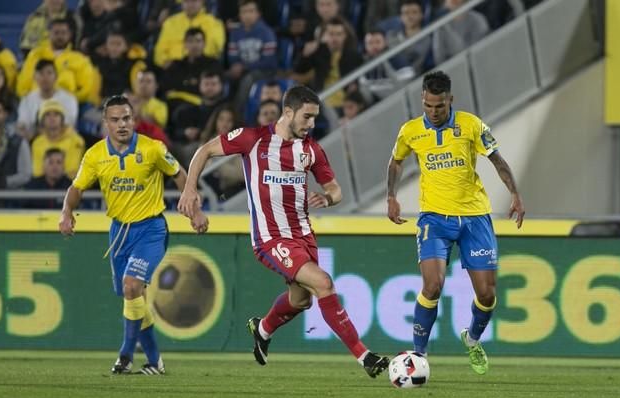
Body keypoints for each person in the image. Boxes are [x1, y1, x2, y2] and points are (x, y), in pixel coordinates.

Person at [177, 85, 390, 378]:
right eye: (306, 117)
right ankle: (365, 357)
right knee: (324, 283)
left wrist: (327, 198)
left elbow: (335, 189)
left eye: (315, 118)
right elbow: (205, 151)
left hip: (303, 235)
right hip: (270, 238)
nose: (311, 124)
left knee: (301, 300)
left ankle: (262, 328)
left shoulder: (310, 149)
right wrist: (190, 190)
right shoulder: (253, 139)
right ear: (287, 112)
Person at [386, 71, 525, 375]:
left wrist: (514, 193)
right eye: (428, 106)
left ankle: (472, 340)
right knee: (433, 285)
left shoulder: (471, 125)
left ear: (450, 100)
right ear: (422, 101)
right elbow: (396, 161)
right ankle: (417, 357)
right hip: (434, 218)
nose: (433, 112)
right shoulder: (410, 131)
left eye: (439, 106)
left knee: (487, 295)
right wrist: (391, 196)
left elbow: (498, 161)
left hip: (475, 217)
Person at [59, 94, 207, 375]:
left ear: (133, 119)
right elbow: (76, 188)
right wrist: (66, 212)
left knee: (131, 286)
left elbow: (179, 175)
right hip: (119, 233)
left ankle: (125, 354)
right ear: (106, 123)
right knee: (132, 296)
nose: (122, 125)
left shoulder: (153, 149)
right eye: (115, 120)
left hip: (151, 229)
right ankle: (155, 361)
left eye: (126, 118)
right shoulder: (95, 155)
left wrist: (194, 209)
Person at [16, 59, 78, 140]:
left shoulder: (69, 99)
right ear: (34, 77)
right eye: (41, 73)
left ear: (56, 76)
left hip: (63, 140)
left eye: (49, 73)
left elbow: (68, 124)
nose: (45, 78)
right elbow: (23, 124)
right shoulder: (27, 99)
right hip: (34, 140)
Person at [31, 99, 85, 178]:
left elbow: (73, 172)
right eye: (47, 115)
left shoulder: (76, 140)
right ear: (42, 120)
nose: (52, 118)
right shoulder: (37, 143)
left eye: (56, 114)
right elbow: (37, 172)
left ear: (62, 119)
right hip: (43, 187)